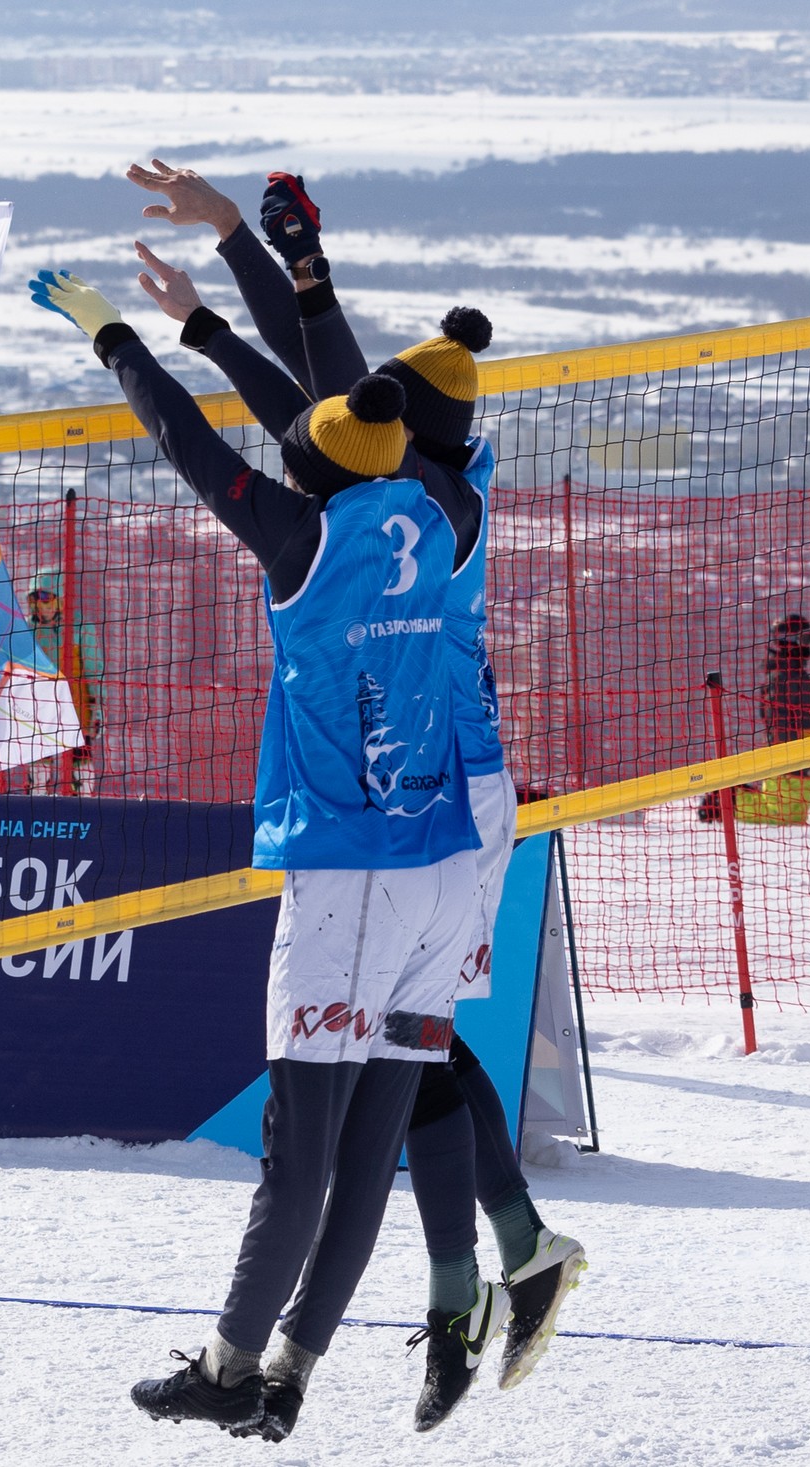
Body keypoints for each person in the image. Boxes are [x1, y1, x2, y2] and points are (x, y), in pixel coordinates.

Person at [129, 162, 584, 1432]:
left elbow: (303, 396)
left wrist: (233, 290)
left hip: (428, 808)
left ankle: (495, 1261)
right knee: (411, 1058)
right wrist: (254, 257)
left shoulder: (409, 505)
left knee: (388, 1078)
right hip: (448, 800)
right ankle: (484, 1270)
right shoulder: (440, 491)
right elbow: (317, 386)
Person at [32, 266, 484, 1442]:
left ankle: (232, 1368)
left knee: (302, 1151)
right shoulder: (447, 503)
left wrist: (116, 335)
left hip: (350, 878)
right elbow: (336, 416)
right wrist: (213, 320)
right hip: (445, 863)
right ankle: (290, 1368)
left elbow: (185, 436)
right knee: (369, 1143)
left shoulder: (300, 534)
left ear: (319, 470)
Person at [697, 613, 810, 823]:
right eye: (805, 639)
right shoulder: (781, 677)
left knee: (794, 815)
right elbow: (778, 720)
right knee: (784, 816)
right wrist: (788, 756)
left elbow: (799, 714)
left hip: (806, 753)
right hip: (790, 757)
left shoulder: (797, 675)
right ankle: (726, 800)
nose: (808, 646)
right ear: (791, 641)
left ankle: (734, 795)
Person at [22, 568, 102, 794]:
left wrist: (99, 707)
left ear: (59, 598)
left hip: (76, 704)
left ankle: (82, 803)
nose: (41, 603)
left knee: (81, 760)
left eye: (46, 596)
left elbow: (95, 669)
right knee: (38, 763)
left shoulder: (79, 628)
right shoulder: (27, 629)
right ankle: (36, 804)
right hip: (40, 705)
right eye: (36, 597)